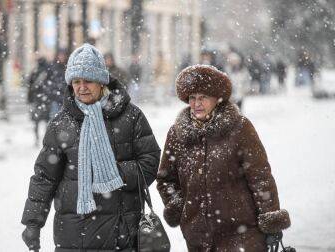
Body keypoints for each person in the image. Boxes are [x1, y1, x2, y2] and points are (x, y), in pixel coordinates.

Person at [21, 43, 161, 251]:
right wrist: (33, 222)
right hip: (74, 235)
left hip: (120, 233)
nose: (81, 87)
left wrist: (115, 173)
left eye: (88, 81)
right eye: (76, 81)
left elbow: (150, 162)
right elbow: (45, 176)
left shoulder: (131, 116)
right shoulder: (61, 123)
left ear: (102, 82)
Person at [157, 65, 291, 251]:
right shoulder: (177, 134)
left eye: (203, 97)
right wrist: (180, 207)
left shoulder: (240, 128)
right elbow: (166, 179)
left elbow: (260, 178)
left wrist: (271, 221)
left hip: (241, 234)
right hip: (198, 237)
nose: (197, 104)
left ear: (217, 99)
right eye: (192, 98)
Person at [26, 57, 52, 146]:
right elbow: (53, 86)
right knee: (47, 122)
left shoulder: (34, 72)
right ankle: (46, 140)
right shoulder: (48, 72)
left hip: (37, 100)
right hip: (46, 100)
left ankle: (37, 139)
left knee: (36, 122)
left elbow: (29, 87)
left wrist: (29, 100)